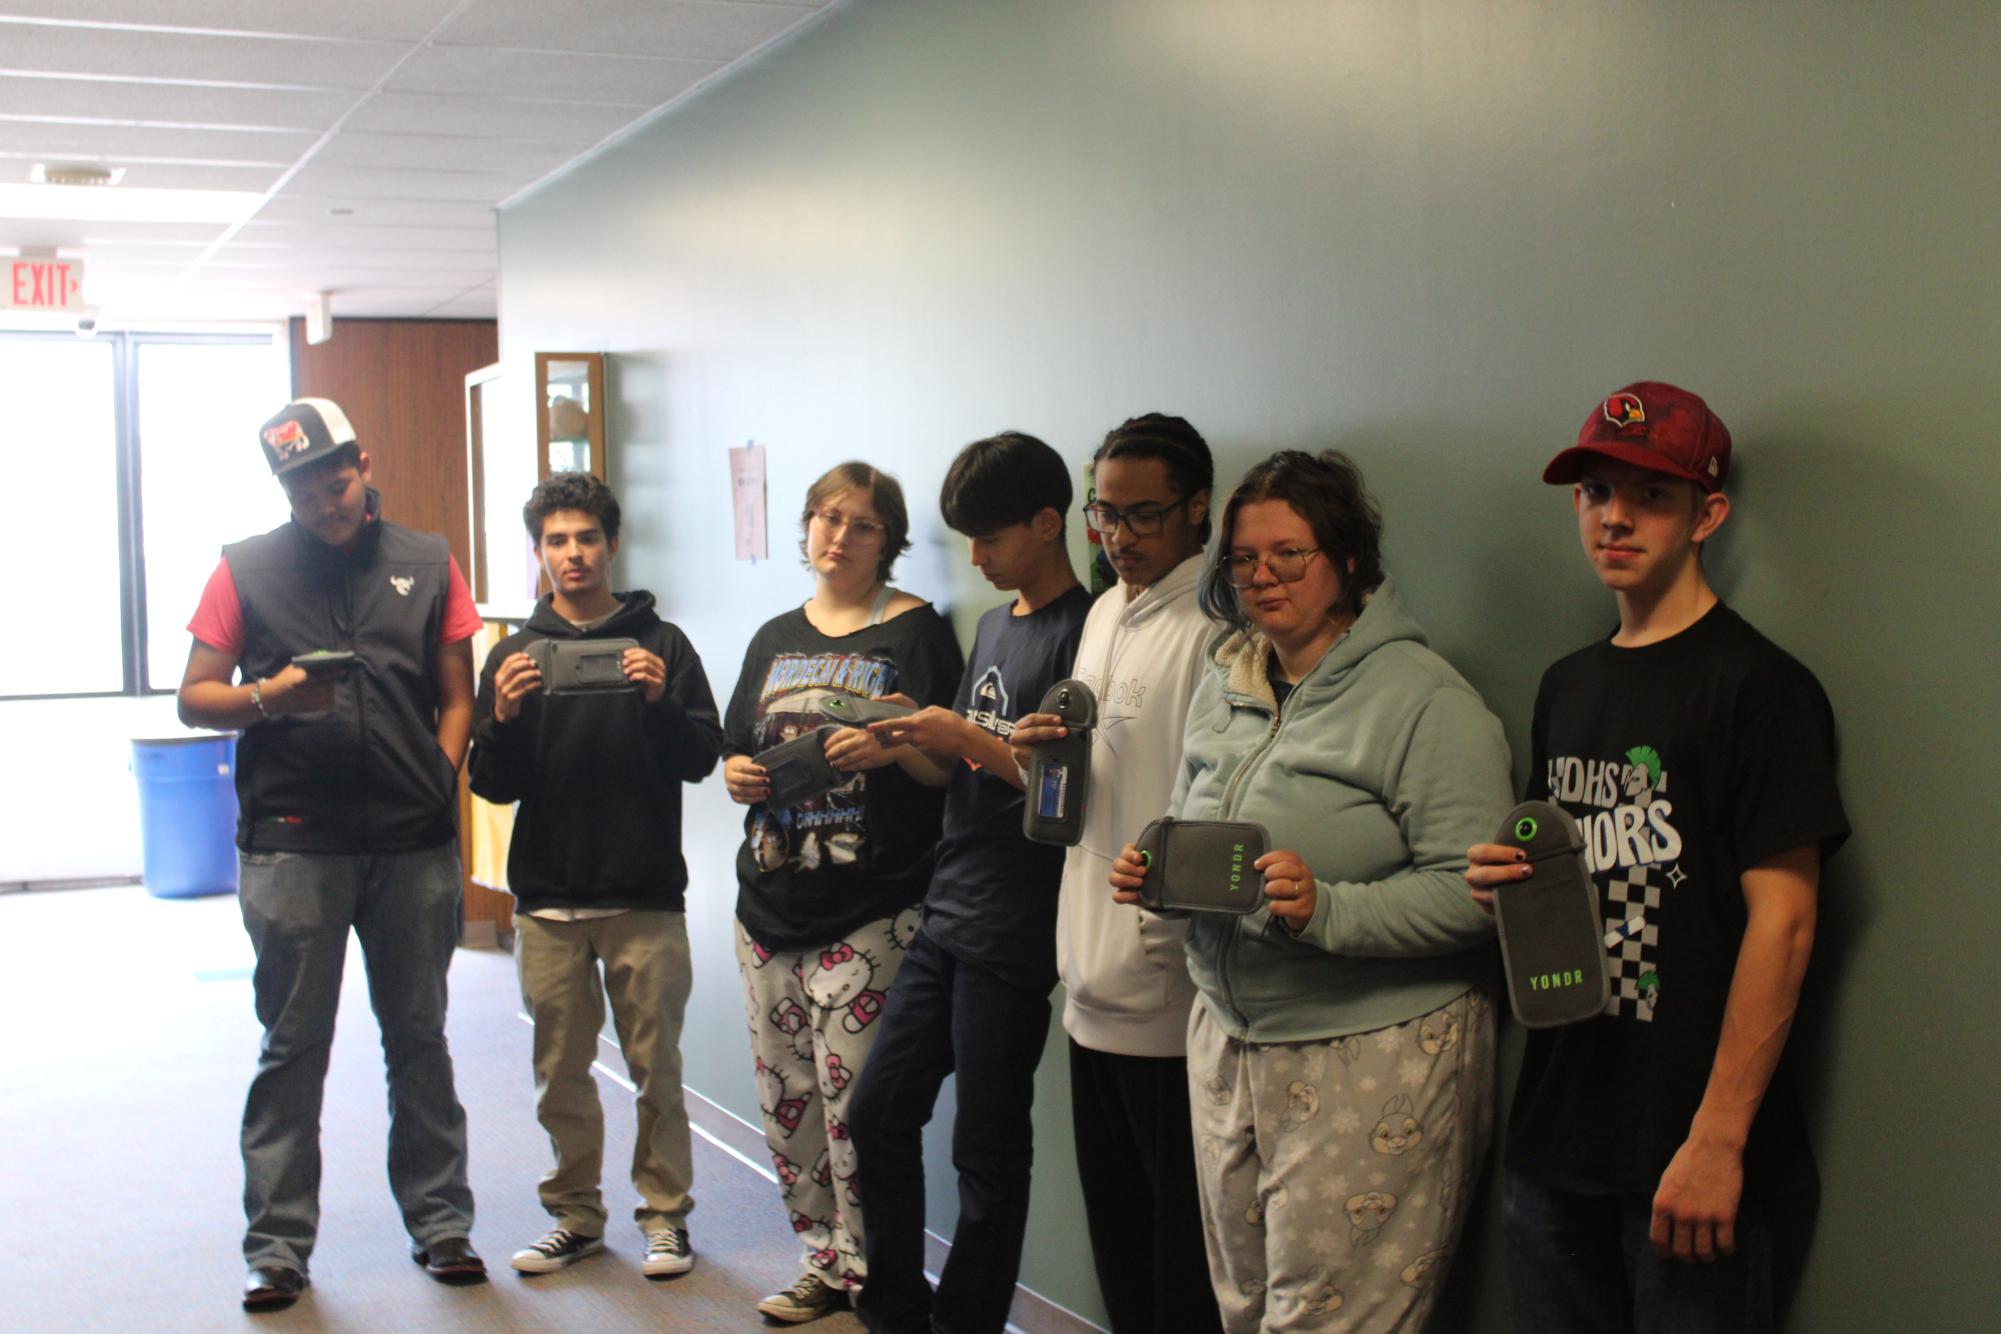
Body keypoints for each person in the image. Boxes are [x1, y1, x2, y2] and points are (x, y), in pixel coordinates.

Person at [1465, 382, 1849, 1333]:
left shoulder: (1761, 690)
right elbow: (1574, 878)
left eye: (1650, 496)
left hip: (1688, 1148)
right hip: (1554, 1134)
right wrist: (1504, 892)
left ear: (1706, 514)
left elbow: (1787, 922)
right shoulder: (1566, 685)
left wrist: (1718, 1139)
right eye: (1596, 493)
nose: (1616, 518)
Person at [1108, 449, 1513, 1333]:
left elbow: (1476, 894)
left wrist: (1325, 907)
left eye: (1289, 554)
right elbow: (1191, 821)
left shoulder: (1424, 701)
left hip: (1370, 1051)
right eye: (1245, 558)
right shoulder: (1228, 681)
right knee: (1246, 1310)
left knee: (1332, 1324)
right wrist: (1161, 875)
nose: (1263, 575)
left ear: (1349, 560)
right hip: (1229, 1041)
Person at [177, 398, 487, 1311]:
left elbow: (456, 693)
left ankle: (443, 1228)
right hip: (292, 845)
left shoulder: (428, 561)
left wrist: (438, 775)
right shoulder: (245, 568)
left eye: (334, 476)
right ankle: (277, 1249)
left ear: (361, 459)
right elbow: (194, 697)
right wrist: (266, 699)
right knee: (292, 1048)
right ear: (284, 489)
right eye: (302, 485)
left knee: (419, 1041)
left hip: (412, 844)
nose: (323, 498)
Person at [845, 431, 1093, 1334]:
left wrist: (964, 740)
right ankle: (897, 1310)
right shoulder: (993, 626)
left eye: (990, 539)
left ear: (1047, 522)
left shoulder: (1088, 634)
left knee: (986, 1151)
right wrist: (910, 737)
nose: (978, 560)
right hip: (946, 911)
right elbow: (965, 771)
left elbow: (1066, 792)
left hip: (1017, 930)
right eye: (967, 543)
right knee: (877, 1114)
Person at [718, 462, 965, 1322]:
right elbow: (735, 750)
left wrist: (894, 748)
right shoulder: (773, 637)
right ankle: (818, 1257)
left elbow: (949, 767)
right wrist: (739, 774)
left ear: (887, 541)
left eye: (860, 524)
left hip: (871, 911)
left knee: (856, 1108)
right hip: (769, 903)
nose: (838, 537)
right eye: (825, 518)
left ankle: (872, 1271)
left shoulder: (916, 635)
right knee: (787, 1105)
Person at [466, 472, 724, 1281]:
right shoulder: (514, 654)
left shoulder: (664, 646)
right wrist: (501, 717)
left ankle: (666, 1217)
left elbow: (699, 759)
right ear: (538, 552)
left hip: (644, 892)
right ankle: (574, 1216)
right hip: (547, 897)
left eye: (585, 538)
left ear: (611, 545)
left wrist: (656, 700)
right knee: (560, 1076)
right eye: (555, 541)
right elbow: (493, 784)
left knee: (658, 1071)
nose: (571, 555)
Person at [1006, 414, 1223, 1334]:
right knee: (1121, 1252)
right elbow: (1096, 789)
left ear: (1198, 509)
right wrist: (1031, 756)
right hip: (1086, 978)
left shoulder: (1217, 627)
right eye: (1106, 516)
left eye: (1144, 517)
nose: (1121, 539)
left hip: (1170, 999)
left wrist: (1158, 939)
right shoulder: (1100, 613)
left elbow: (1206, 808)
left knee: (1182, 1260)